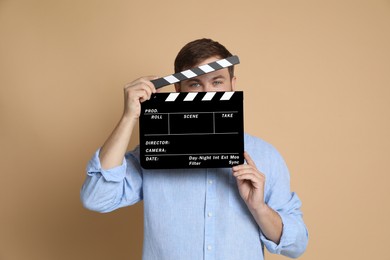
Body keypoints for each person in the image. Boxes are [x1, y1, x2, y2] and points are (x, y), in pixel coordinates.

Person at [81, 38, 308, 259]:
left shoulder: (265, 156)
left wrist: (259, 208)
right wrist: (128, 117)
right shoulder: (154, 151)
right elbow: (97, 197)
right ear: (179, 88)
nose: (206, 92)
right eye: (195, 83)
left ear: (232, 84)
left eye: (217, 81)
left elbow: (296, 245)